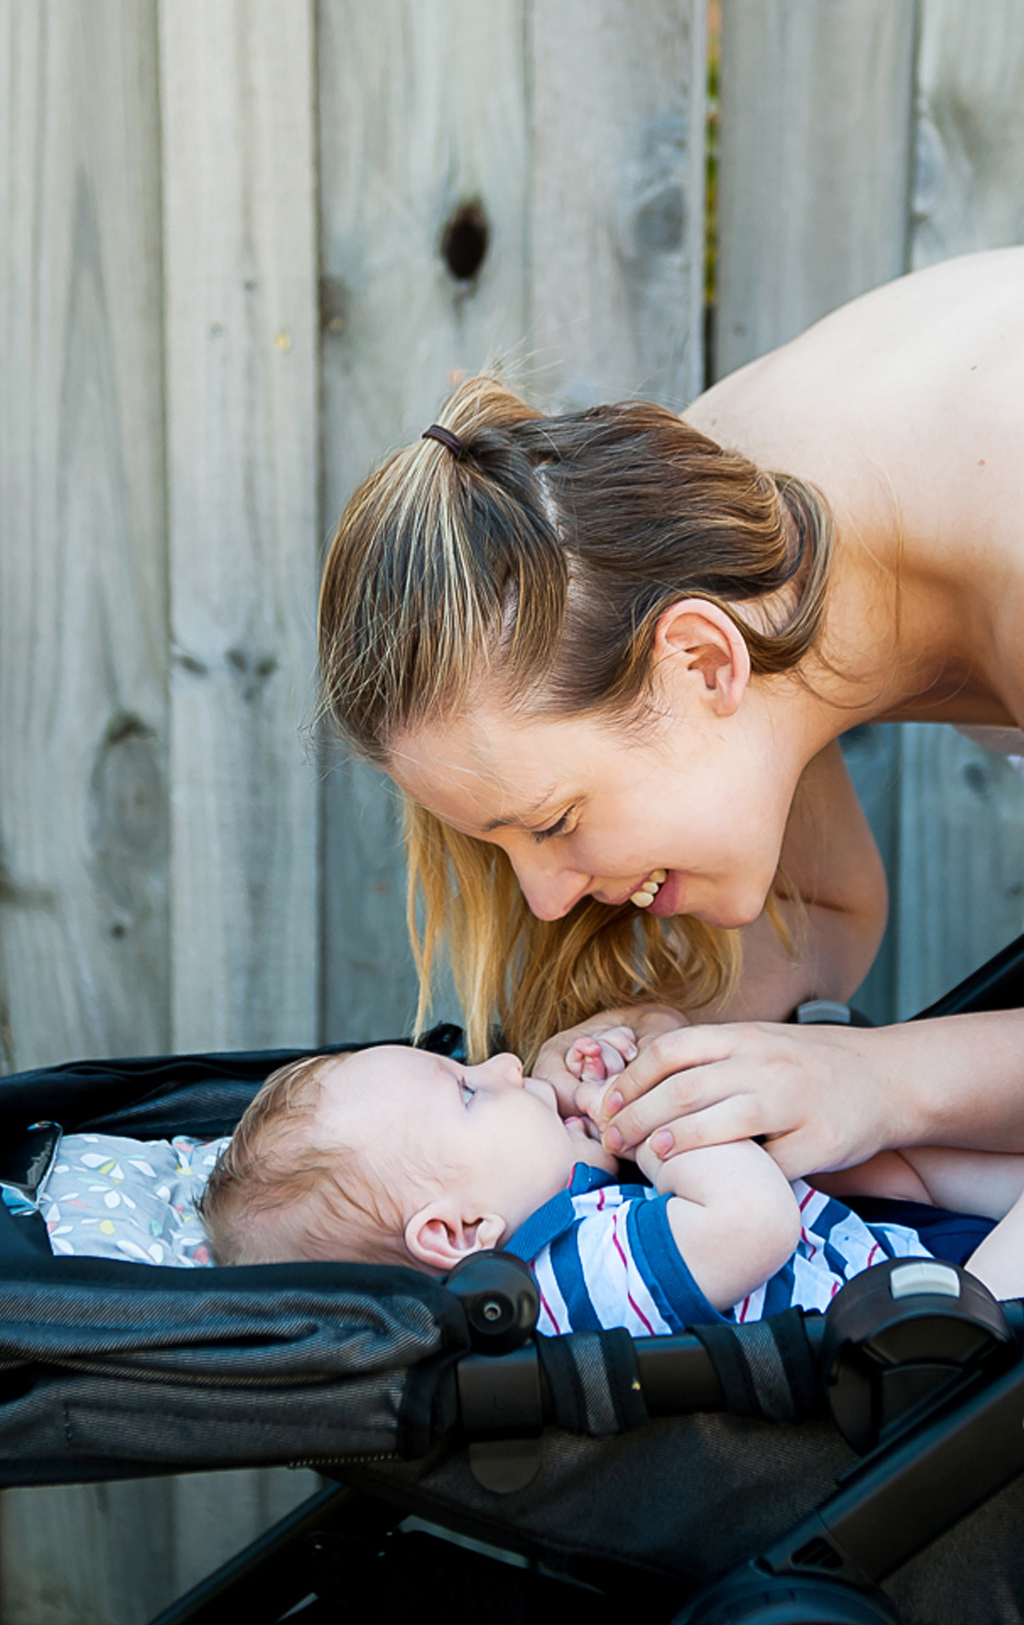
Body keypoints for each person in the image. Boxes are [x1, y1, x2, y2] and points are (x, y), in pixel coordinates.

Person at [317, 248, 1024, 1190]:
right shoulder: (672, 541)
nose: (545, 900)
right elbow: (817, 908)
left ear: (700, 660)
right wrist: (675, 1035)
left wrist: (880, 1078)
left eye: (555, 821)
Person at [198, 1027, 1024, 1333]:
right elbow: (752, 1225)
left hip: (885, 1239)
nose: (504, 1063)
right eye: (468, 1091)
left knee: (887, 1154)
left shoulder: (559, 1229)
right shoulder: (565, 1276)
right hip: (937, 1317)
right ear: (458, 1232)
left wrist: (593, 1136)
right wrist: (648, 1122)